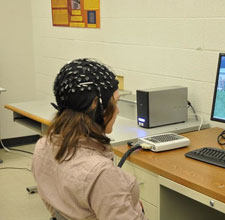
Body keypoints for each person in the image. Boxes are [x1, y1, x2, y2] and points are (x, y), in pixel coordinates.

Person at [32, 58, 146, 220]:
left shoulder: (43, 146)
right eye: (116, 101)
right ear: (96, 105)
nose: (118, 110)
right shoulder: (101, 173)